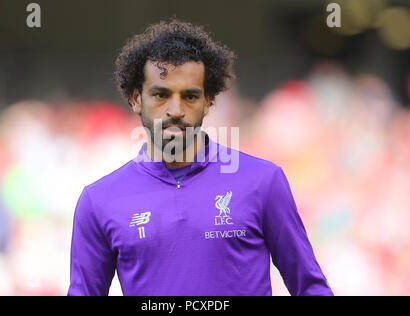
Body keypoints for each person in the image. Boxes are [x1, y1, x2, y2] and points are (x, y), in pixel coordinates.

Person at [67, 19, 333, 296]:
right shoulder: (98, 201)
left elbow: (310, 288)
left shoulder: (263, 181)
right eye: (160, 94)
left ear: (208, 102)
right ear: (136, 99)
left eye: (190, 97)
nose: (175, 110)